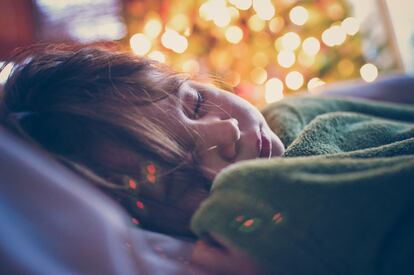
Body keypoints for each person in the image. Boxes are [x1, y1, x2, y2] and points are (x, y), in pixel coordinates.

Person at [1, 45, 413, 274]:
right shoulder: (258, 228)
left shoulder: (301, 113)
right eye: (183, 177)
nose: (227, 133)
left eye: (196, 103)